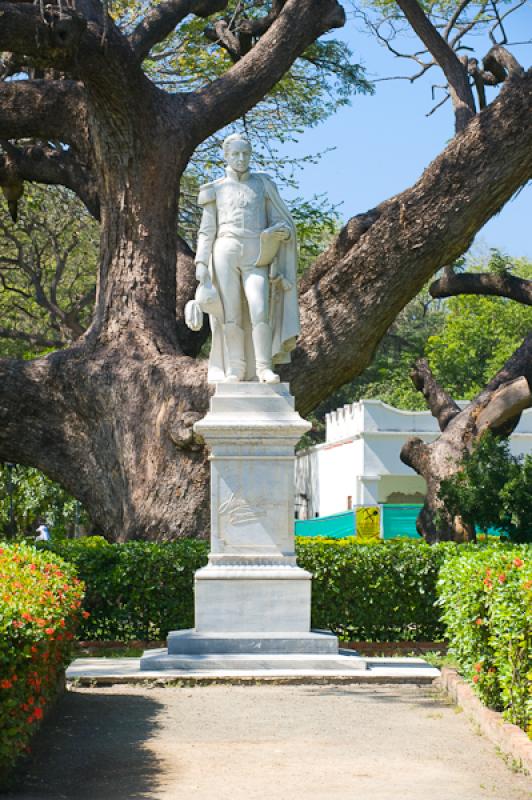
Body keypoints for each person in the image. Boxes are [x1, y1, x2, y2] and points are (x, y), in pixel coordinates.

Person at [193, 133, 300, 384]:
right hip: (225, 250)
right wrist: (200, 263)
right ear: (226, 156)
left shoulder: (263, 185)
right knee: (231, 313)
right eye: (236, 154)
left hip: (257, 252)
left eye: (245, 154)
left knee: (259, 309)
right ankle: (236, 369)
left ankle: (263, 368)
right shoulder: (214, 189)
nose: (241, 158)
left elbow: (278, 219)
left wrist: (280, 231)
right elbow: (207, 230)